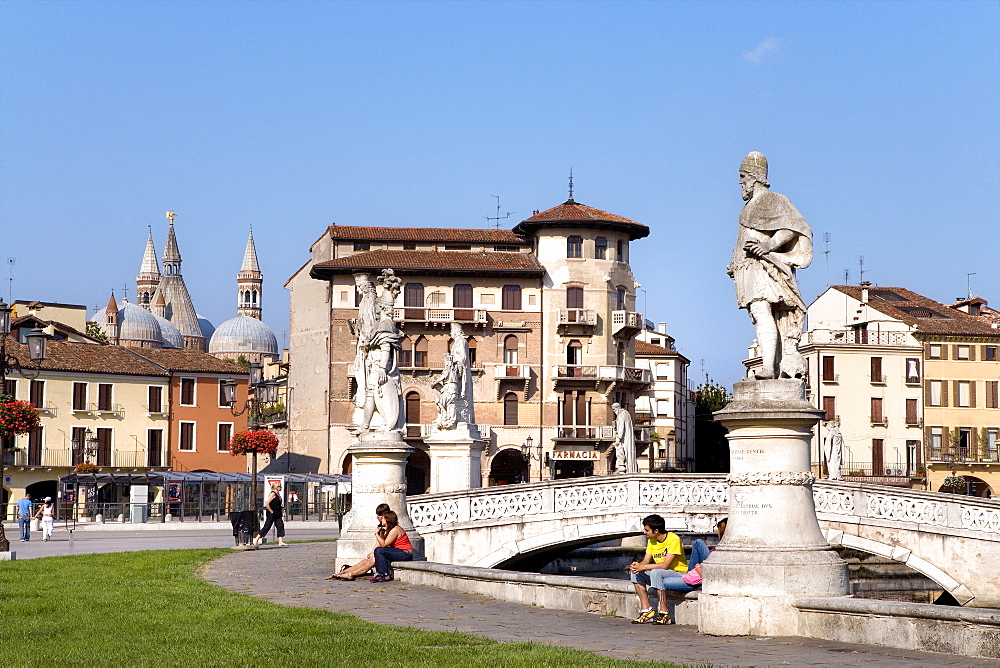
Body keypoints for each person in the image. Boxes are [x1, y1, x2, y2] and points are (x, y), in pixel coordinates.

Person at [726, 151, 813, 380]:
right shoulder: (748, 207)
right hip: (748, 268)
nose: (740, 182)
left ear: (754, 178)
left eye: (743, 177)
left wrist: (769, 246)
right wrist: (734, 263)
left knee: (763, 311)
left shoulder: (774, 200)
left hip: (765, 267)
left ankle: (769, 368)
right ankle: (770, 366)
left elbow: (794, 227)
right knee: (760, 314)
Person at [629, 514, 688, 624]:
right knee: (635, 573)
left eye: (646, 530)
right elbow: (646, 561)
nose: (644, 532)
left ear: (656, 530)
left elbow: (665, 565)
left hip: (678, 574)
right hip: (661, 573)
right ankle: (646, 609)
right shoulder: (652, 540)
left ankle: (664, 610)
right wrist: (638, 566)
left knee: (656, 572)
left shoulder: (673, 539)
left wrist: (644, 567)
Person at [327, 503, 390, 581]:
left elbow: (384, 543)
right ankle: (343, 572)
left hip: (389, 552)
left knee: (372, 560)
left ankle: (350, 574)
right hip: (383, 551)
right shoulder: (381, 526)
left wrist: (375, 550)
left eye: (380, 515)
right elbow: (379, 541)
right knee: (365, 561)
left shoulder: (390, 528)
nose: (377, 517)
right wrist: (372, 552)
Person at [369, 510, 413, 583]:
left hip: (406, 553)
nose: (381, 520)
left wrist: (376, 534)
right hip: (399, 551)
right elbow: (383, 543)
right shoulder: (390, 530)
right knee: (379, 550)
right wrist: (382, 533)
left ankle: (384, 574)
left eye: (382, 518)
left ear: (387, 519)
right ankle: (380, 574)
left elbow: (384, 544)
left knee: (379, 550)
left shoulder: (396, 529)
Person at [254, 481, 287, 546]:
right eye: (279, 486)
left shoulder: (278, 494)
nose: (281, 487)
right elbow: (266, 504)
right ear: (275, 487)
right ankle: (256, 539)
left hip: (278, 513)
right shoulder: (273, 494)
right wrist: (271, 511)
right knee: (267, 526)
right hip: (272, 513)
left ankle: (280, 541)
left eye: (280, 486)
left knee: (280, 526)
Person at [612, 403, 639, 474]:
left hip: (624, 438)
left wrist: (618, 438)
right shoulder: (626, 413)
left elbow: (621, 427)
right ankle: (629, 467)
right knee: (626, 452)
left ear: (617, 408)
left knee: (621, 451)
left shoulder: (621, 414)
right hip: (627, 436)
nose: (614, 411)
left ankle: (624, 467)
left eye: (614, 409)